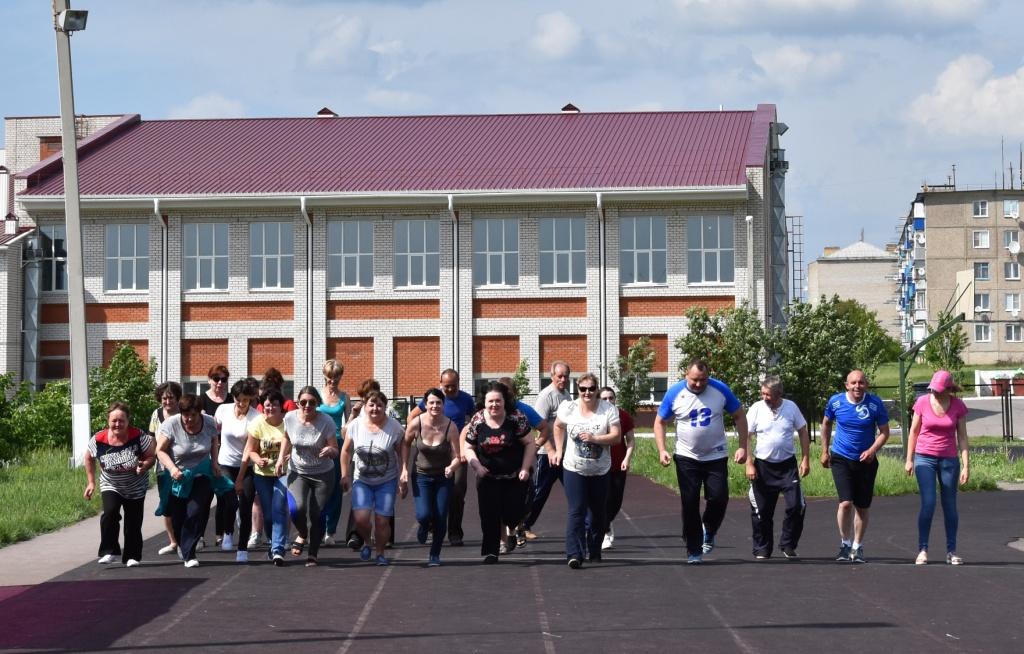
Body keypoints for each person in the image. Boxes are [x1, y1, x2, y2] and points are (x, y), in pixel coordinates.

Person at [654, 358, 748, 564]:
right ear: (686, 375)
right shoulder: (675, 393)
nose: (699, 384)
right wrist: (662, 450)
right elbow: (660, 421)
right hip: (687, 456)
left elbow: (740, 416)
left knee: (719, 497)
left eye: (703, 380)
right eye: (695, 380)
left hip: (716, 455)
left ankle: (709, 528)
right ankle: (693, 549)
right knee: (689, 502)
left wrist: (743, 446)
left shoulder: (720, 389)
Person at [820, 369, 890, 564]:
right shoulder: (836, 402)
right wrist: (824, 451)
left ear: (866, 384)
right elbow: (826, 424)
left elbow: (885, 432)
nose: (857, 386)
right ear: (846, 385)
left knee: (862, 506)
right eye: (853, 383)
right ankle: (844, 543)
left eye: (861, 382)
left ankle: (857, 547)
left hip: (866, 460)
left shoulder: (875, 403)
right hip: (841, 457)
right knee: (845, 502)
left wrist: (872, 450)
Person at [551, 373, 620, 568]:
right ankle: (574, 554)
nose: (587, 392)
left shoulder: (608, 409)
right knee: (576, 511)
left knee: (598, 513)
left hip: (600, 469)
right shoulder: (569, 408)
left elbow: (616, 437)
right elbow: (557, 426)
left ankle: (595, 549)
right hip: (574, 468)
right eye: (583, 389)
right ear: (578, 390)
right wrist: (558, 450)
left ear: (597, 390)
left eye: (591, 389)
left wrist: (595, 438)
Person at [463, 382, 536, 563]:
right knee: (489, 515)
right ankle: (491, 551)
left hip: (513, 475)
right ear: (484, 402)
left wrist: (525, 468)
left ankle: (513, 528)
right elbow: (468, 446)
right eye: (490, 401)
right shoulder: (478, 420)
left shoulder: (516, 418)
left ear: (505, 401)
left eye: (498, 401)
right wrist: (477, 467)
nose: (494, 405)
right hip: (487, 476)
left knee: (513, 513)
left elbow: (529, 443)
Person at [905, 369, 970, 566]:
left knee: (950, 506)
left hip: (949, 460)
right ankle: (922, 549)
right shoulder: (923, 402)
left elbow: (963, 438)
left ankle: (951, 551)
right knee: (929, 502)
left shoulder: (958, 405)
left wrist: (966, 465)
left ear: (948, 389)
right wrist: (909, 459)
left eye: (938, 389)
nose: (934, 392)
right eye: (932, 388)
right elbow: (913, 432)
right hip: (924, 458)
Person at [407, 369, 476, 546]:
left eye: (454, 386)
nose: (451, 390)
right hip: (432, 450)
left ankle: (454, 532)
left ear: (459, 383)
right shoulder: (433, 399)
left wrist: (467, 437)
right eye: (447, 387)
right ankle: (430, 527)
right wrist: (420, 433)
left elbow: (474, 420)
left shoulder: (466, 399)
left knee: (457, 492)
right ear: (440, 383)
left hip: (456, 451)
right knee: (430, 492)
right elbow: (412, 416)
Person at [744, 376, 810, 559]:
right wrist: (749, 463)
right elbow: (747, 436)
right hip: (763, 467)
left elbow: (803, 431)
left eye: (769, 395)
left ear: (779, 394)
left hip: (787, 466)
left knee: (797, 506)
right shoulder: (757, 408)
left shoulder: (791, 407)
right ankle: (762, 548)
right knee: (762, 511)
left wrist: (805, 459)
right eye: (763, 393)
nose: (765, 397)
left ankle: (788, 544)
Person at [84, 402, 156, 567]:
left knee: (133, 521)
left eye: (121, 420)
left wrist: (145, 465)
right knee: (109, 514)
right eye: (114, 421)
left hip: (135, 485)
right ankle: (109, 551)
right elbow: (88, 458)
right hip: (111, 483)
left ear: (128, 420)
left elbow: (151, 456)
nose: (117, 424)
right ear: (108, 421)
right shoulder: (98, 439)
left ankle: (132, 556)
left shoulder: (139, 436)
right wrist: (91, 482)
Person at [155, 394, 222, 568]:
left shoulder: (208, 422)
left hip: (201, 473)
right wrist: (172, 468)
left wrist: (214, 462)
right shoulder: (171, 424)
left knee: (196, 510)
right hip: (176, 475)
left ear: (200, 413)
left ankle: (189, 553)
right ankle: (181, 543)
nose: (190, 419)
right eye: (186, 415)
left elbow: (214, 440)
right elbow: (160, 450)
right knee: (177, 516)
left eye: (194, 415)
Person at [342, 390, 406, 566]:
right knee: (361, 519)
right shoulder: (355, 425)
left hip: (386, 480)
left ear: (385, 407)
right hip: (362, 480)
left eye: (379, 405)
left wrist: (404, 471)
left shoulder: (394, 427)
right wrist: (344, 474)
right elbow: (346, 451)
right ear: (365, 406)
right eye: (371, 404)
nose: (375, 408)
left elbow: (402, 450)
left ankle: (380, 552)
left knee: (382, 520)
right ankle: (368, 542)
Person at [401, 387, 460, 566]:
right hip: (421, 475)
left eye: (438, 403)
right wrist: (404, 468)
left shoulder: (451, 426)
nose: (435, 406)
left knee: (441, 515)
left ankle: (435, 553)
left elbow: (458, 456)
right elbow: (405, 444)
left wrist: (452, 467)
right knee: (424, 514)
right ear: (425, 405)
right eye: (431, 403)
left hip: (443, 477)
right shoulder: (416, 423)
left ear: (443, 405)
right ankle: (424, 526)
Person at [284, 386, 339, 567]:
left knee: (317, 513)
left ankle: (313, 553)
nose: (307, 406)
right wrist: (279, 460)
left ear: (317, 403)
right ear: (298, 402)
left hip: (323, 474)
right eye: (303, 402)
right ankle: (302, 533)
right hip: (297, 470)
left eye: (312, 402)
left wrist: (330, 450)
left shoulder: (326, 421)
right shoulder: (290, 418)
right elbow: (286, 437)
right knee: (296, 508)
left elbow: (335, 449)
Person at [522, 360, 571, 540]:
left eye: (566, 376)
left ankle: (586, 525)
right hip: (547, 455)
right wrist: (550, 450)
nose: (563, 379)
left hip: (565, 454)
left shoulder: (566, 395)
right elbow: (539, 426)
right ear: (552, 376)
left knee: (575, 490)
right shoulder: (546, 396)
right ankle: (524, 525)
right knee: (539, 492)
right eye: (559, 376)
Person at [214, 377, 260, 562]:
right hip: (224, 463)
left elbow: (249, 450)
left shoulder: (256, 417)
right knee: (230, 501)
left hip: (246, 466)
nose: (241, 403)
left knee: (245, 505)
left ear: (251, 399)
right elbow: (212, 428)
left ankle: (242, 548)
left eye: (245, 400)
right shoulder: (223, 410)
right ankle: (228, 531)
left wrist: (240, 479)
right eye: (238, 399)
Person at [244, 389, 291, 566]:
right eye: (267, 405)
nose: (270, 408)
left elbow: (295, 446)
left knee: (279, 507)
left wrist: (289, 456)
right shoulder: (257, 423)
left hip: (283, 474)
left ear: (281, 407)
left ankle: (278, 549)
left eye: (274, 405)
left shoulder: (288, 423)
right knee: (268, 514)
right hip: (262, 474)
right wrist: (257, 459)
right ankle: (273, 542)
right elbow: (250, 450)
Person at [597, 386, 635, 551]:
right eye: (604, 398)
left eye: (611, 398)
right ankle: (604, 532)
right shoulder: (596, 416)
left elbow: (631, 440)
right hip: (599, 466)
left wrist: (627, 458)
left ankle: (606, 523)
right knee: (602, 500)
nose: (608, 401)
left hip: (618, 464)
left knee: (616, 501)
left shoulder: (623, 416)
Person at [149, 381, 182, 556]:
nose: (168, 401)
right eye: (164, 398)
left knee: (182, 502)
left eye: (171, 398)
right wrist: (148, 459)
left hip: (183, 465)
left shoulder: (184, 413)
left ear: (177, 398)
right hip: (162, 466)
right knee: (167, 504)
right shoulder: (156, 414)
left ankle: (190, 537)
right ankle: (173, 541)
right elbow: (152, 438)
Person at [318, 359, 349, 546]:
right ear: (325, 376)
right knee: (319, 487)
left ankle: (330, 530)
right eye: (330, 376)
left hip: (337, 443)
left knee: (336, 487)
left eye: (336, 376)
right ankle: (318, 526)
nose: (333, 380)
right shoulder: (317, 395)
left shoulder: (345, 397)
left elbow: (349, 423)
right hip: (319, 443)